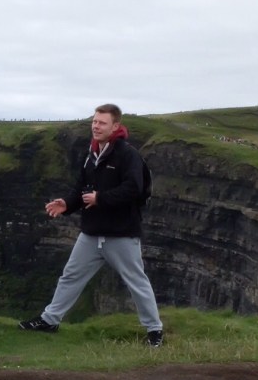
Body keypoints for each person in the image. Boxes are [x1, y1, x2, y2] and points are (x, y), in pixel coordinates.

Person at [19, 103, 164, 346]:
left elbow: (133, 188)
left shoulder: (127, 155)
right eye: (94, 122)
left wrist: (101, 198)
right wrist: (67, 203)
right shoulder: (92, 153)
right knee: (70, 276)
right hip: (91, 233)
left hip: (121, 234)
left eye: (102, 123)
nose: (96, 126)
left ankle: (154, 331)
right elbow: (81, 188)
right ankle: (50, 320)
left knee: (136, 282)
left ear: (115, 126)